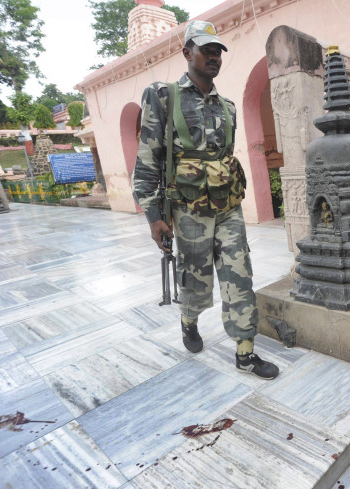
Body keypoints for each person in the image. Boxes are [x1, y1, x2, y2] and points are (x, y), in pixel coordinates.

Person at [132, 20, 278, 379]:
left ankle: (245, 352)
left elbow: (224, 158)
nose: (213, 57)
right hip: (187, 211)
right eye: (205, 50)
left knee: (239, 276)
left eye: (217, 52)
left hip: (228, 207)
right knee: (196, 281)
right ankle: (189, 320)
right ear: (187, 53)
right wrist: (154, 216)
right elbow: (148, 158)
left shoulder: (227, 107)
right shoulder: (162, 95)